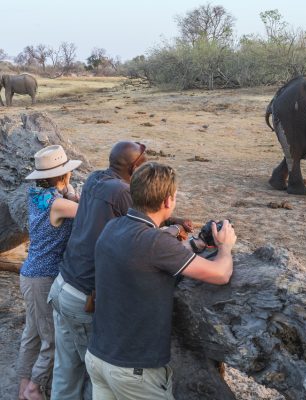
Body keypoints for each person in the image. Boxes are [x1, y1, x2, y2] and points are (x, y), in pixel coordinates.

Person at [85, 162, 236, 400]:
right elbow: (221, 273)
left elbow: (152, 258)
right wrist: (225, 247)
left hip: (98, 358)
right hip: (133, 371)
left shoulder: (114, 226)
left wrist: (195, 245)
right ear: (168, 201)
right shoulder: (155, 242)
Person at [17, 145, 81, 400]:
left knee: (32, 335)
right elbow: (91, 212)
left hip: (31, 275)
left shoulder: (36, 195)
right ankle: (35, 388)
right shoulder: (58, 204)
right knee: (52, 340)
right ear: (64, 176)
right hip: (43, 279)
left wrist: (68, 191)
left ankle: (22, 388)